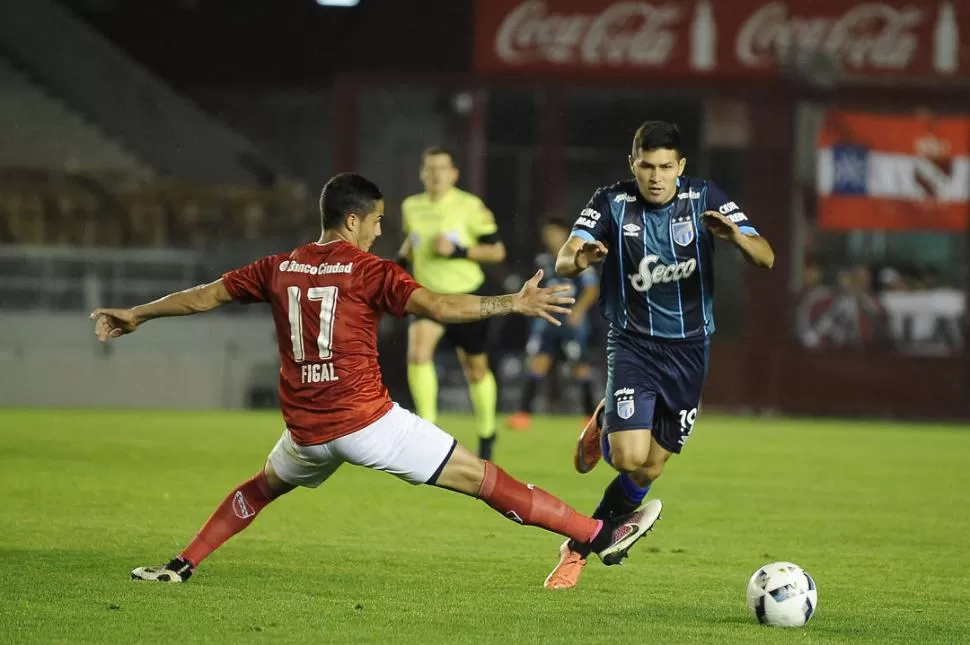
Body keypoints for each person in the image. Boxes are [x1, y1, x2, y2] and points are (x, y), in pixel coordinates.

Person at [90, 173, 657, 583]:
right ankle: (598, 534)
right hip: (368, 425)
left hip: (306, 434)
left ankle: (182, 564)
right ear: (353, 220)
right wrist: (512, 302)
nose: (381, 232)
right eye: (378, 221)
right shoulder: (367, 270)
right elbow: (440, 305)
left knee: (260, 489)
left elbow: (205, 296)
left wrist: (137, 313)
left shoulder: (277, 266)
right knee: (485, 478)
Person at [543, 122, 775, 589]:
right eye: (647, 166)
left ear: (680, 166)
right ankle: (608, 432)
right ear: (633, 164)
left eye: (666, 167)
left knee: (651, 466)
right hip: (634, 344)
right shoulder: (611, 201)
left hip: (690, 351)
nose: (655, 177)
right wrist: (581, 259)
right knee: (628, 457)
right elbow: (564, 258)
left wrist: (736, 237)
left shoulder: (704, 196)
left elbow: (766, 257)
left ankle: (578, 547)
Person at [398, 148, 505, 460]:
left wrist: (458, 251)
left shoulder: (470, 206)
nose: (436, 174)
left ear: (454, 173)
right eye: (430, 168)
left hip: (465, 297)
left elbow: (497, 251)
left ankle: (487, 433)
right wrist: (397, 265)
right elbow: (412, 240)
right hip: (428, 297)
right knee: (418, 353)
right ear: (422, 173)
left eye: (442, 168)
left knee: (476, 370)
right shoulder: (411, 206)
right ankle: (427, 430)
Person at [506, 218, 600, 431]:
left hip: (571, 319)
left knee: (579, 366)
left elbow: (592, 289)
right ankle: (523, 414)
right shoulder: (543, 260)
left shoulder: (577, 257)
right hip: (547, 320)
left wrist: (579, 311)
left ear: (566, 235)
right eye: (547, 234)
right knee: (539, 362)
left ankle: (590, 416)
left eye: (555, 234)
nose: (550, 238)